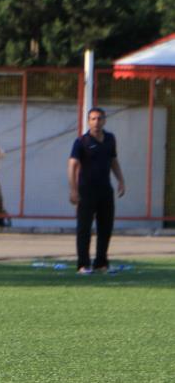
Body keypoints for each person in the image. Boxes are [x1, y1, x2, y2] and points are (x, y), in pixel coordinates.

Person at [68, 107, 126, 274]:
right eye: (93, 119)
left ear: (104, 120)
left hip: (105, 190)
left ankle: (101, 263)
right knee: (84, 228)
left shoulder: (110, 139)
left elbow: (113, 160)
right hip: (86, 191)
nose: (96, 122)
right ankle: (83, 264)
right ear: (88, 121)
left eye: (99, 118)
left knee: (105, 227)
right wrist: (73, 189)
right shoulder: (81, 141)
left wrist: (121, 180)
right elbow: (72, 164)